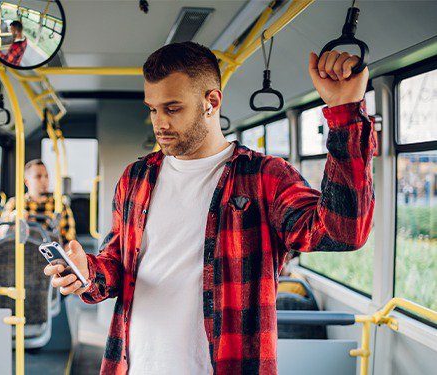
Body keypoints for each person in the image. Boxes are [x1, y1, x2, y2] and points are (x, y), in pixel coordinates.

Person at [45, 42, 375, 374]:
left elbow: (342, 232)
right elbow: (117, 264)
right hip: (134, 365)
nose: (159, 123)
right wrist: (87, 273)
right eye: (152, 109)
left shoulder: (265, 178)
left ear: (211, 102)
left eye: (172, 108)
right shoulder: (136, 178)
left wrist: (345, 112)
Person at [0, 159, 76, 243]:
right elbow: (2, 234)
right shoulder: (15, 203)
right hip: (21, 253)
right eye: (38, 176)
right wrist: (13, 218)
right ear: (27, 182)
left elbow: (69, 239)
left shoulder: (60, 206)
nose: (44, 180)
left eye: (46, 176)